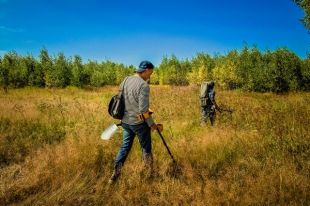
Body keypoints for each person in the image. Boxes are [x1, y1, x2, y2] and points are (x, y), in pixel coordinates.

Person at [109, 60, 159, 184]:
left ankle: (115, 174)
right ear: (146, 70)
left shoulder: (126, 80)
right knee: (146, 148)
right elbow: (143, 110)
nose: (150, 76)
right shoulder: (144, 85)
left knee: (125, 147)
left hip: (125, 122)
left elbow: (121, 99)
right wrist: (152, 124)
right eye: (150, 73)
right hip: (139, 124)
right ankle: (149, 175)